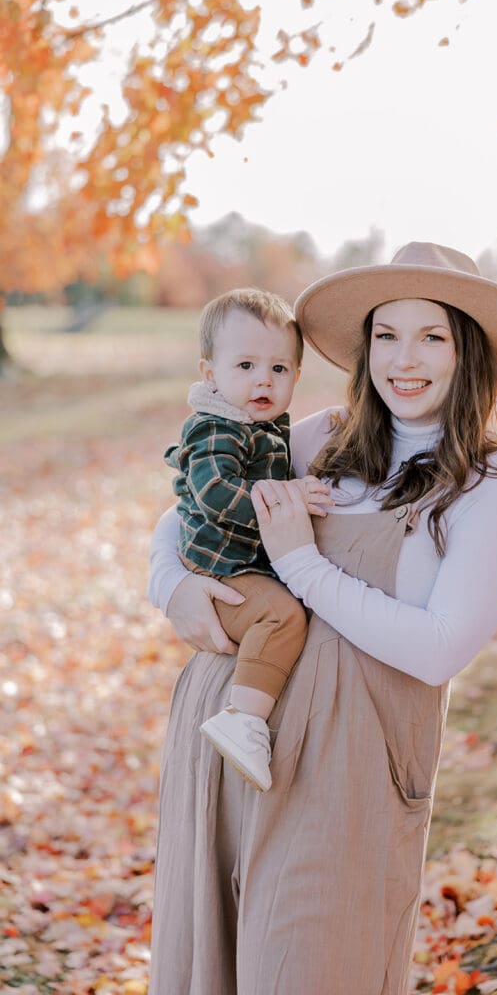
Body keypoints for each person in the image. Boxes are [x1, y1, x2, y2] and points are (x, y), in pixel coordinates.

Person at [147, 242, 497, 995]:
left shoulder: (493, 482)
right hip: (230, 739)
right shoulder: (317, 439)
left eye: (431, 335)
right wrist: (170, 586)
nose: (405, 359)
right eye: (386, 334)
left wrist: (301, 564)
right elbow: (182, 514)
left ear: (465, 351)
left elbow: (437, 649)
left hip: (349, 772)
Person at [163, 287, 332, 791]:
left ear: (297, 378)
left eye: (279, 369)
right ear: (210, 374)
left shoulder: (267, 429)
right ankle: (244, 718)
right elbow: (214, 493)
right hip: (221, 566)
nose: (264, 379)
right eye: (246, 366)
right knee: (279, 616)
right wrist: (289, 499)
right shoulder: (218, 429)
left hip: (242, 560)